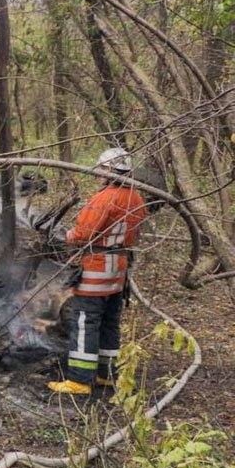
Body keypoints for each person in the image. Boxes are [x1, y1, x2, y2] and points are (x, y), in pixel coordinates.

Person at [48, 148, 149, 396]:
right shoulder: (136, 198)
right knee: (109, 324)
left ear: (109, 171)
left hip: (96, 269)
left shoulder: (104, 198)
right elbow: (135, 234)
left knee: (85, 322)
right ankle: (107, 374)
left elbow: (82, 235)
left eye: (101, 170)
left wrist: (66, 235)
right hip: (119, 271)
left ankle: (80, 380)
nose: (98, 175)